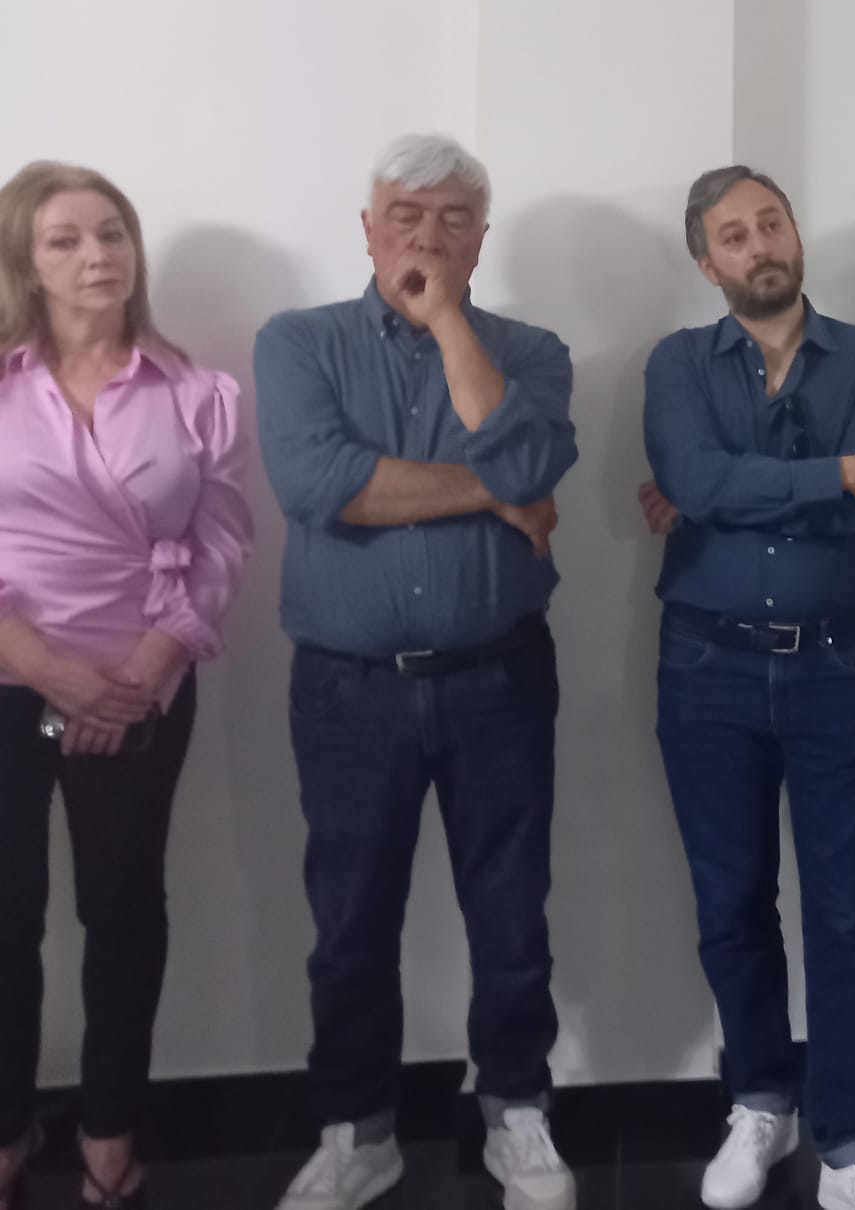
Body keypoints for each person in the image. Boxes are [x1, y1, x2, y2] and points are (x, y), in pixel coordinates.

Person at [253, 135, 578, 1210]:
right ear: (367, 230)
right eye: (406, 215)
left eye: (452, 219)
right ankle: (359, 1130)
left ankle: (516, 1112)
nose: (427, 238)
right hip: (347, 689)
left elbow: (528, 459)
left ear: (481, 238)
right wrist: (492, 492)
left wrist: (446, 326)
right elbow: (319, 486)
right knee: (350, 922)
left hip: (499, 677)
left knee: (511, 913)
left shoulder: (531, 351)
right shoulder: (299, 342)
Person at [639, 166, 855, 1210]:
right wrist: (832, 472)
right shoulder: (676, 363)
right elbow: (692, 475)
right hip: (706, 667)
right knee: (731, 905)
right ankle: (761, 1100)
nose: (760, 245)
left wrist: (734, 491)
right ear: (706, 262)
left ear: (795, 235)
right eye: (735, 234)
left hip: (838, 664)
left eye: (772, 223)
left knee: (846, 914)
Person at [0, 162, 253, 1210]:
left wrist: (149, 666)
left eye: (112, 232)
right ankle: (7, 1125)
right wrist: (47, 667)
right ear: (25, 263)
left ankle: (109, 1128)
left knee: (122, 908)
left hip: (142, 686)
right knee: (5, 914)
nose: (97, 255)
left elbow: (223, 541)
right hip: (9, 676)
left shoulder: (198, 394)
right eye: (64, 240)